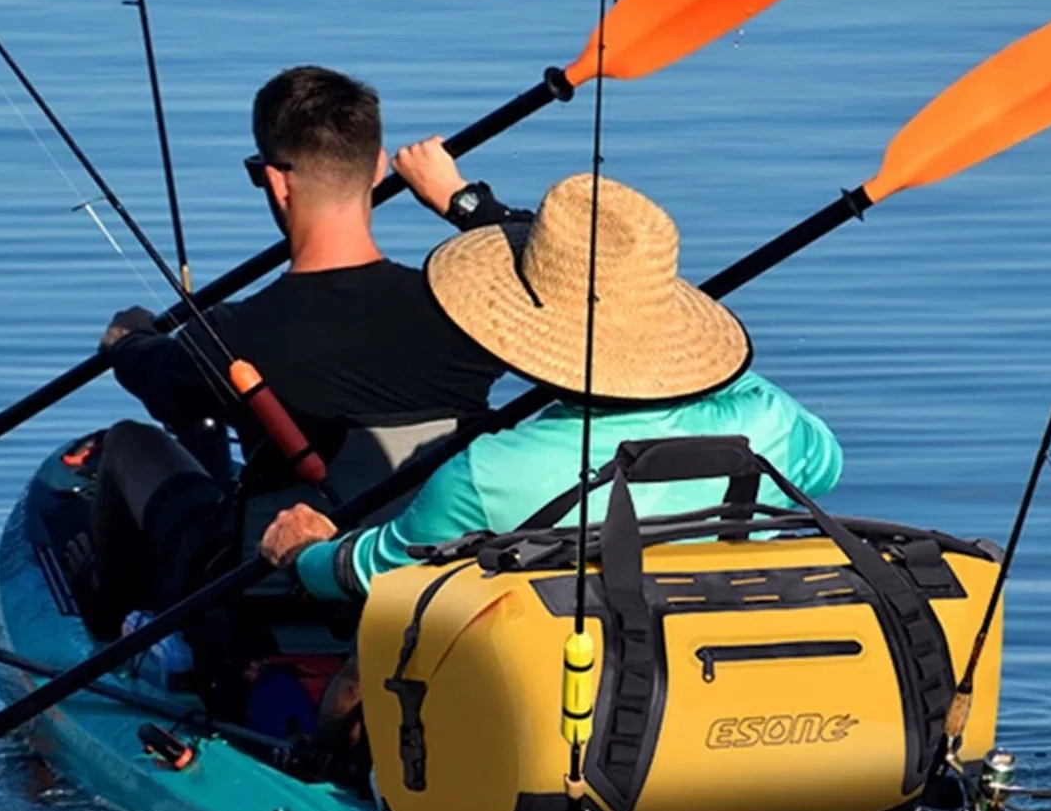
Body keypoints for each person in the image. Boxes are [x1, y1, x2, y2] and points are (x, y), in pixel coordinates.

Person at [67, 67, 523, 641]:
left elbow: (153, 377)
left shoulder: (227, 337)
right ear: (379, 167)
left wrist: (128, 339)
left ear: (276, 183)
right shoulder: (469, 311)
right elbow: (570, 274)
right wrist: (462, 201)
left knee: (131, 444)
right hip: (431, 591)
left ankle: (106, 628)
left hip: (267, 600)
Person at [259, 164, 843, 604]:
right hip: (714, 677)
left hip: (577, 701)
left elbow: (375, 573)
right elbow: (825, 465)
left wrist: (306, 553)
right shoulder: (770, 424)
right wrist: (685, 358)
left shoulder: (486, 473)